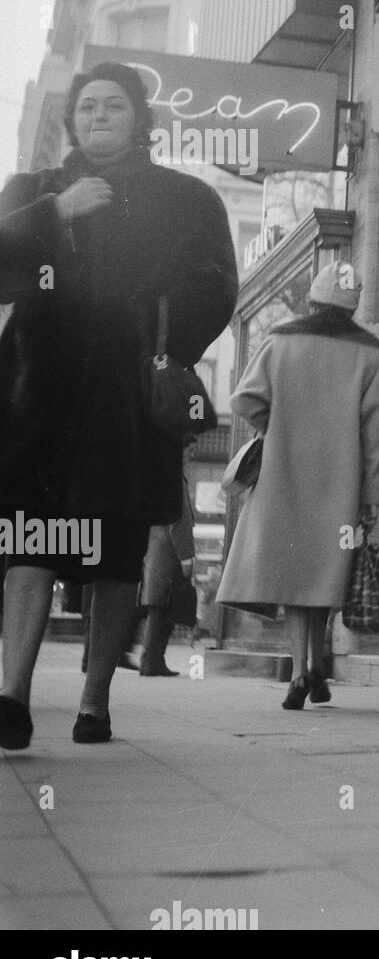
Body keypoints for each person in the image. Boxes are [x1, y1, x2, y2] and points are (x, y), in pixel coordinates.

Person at [0, 62, 236, 749]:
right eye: (87, 107)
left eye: (113, 106)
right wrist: (53, 214)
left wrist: (154, 328)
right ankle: (12, 696)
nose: (97, 116)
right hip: (35, 401)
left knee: (114, 556)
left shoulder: (185, 198)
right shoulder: (34, 191)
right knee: (30, 543)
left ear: (139, 117)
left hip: (125, 403)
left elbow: (215, 284)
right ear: (72, 120)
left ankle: (95, 701)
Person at [216, 262, 379, 711]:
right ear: (352, 308)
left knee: (297, 576)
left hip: (284, 474)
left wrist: (274, 429)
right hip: (342, 482)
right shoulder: (374, 356)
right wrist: (371, 497)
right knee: (327, 574)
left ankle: (301, 671)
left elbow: (245, 400)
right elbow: (376, 438)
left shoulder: (279, 341)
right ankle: (316, 665)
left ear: (313, 300)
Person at [136, 450, 200, 677]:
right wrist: (186, 557)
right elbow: (179, 522)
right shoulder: (174, 479)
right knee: (162, 608)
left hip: (155, 551)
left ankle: (151, 660)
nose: (190, 456)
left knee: (158, 607)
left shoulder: (158, 477)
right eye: (188, 451)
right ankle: (152, 661)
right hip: (168, 553)